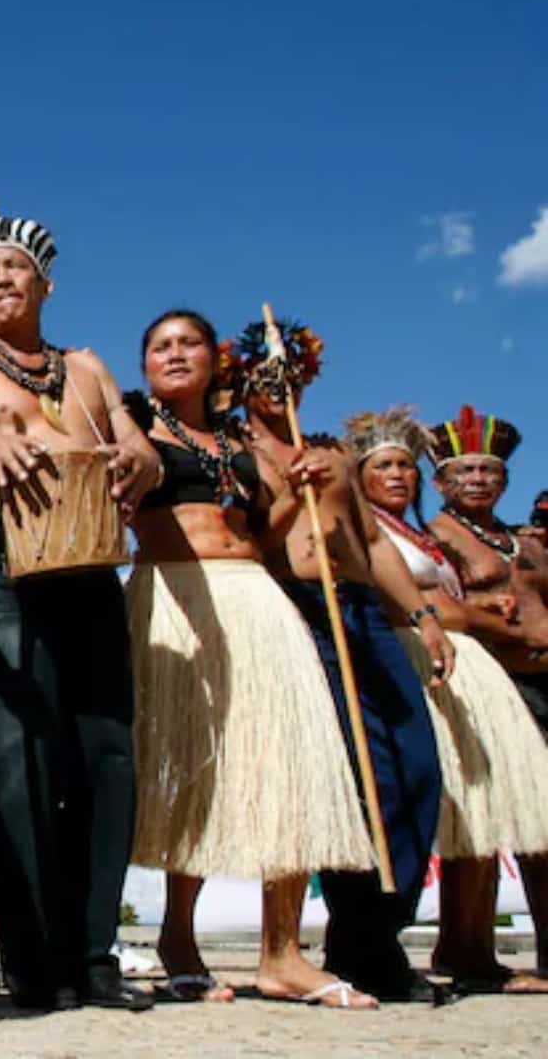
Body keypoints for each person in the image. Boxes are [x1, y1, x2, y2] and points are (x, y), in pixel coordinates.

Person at [0, 191, 161, 1012]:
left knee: (104, 749)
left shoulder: (85, 368)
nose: (5, 278)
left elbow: (135, 443)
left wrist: (140, 462)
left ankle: (93, 954)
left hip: (88, 562)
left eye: (17, 267)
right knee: (18, 748)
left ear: (45, 284)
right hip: (2, 562)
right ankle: (33, 958)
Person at [122, 310, 376, 1008]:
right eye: (160, 346)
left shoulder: (238, 436)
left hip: (257, 598)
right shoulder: (131, 425)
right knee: (188, 767)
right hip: (175, 595)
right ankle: (177, 938)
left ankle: (283, 954)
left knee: (290, 761)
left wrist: (304, 490)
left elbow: (266, 531)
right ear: (144, 363)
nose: (175, 355)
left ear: (213, 359)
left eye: (189, 344)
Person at [230, 318, 454, 1005]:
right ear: (241, 381)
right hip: (299, 608)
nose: (278, 388)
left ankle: (379, 931)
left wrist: (420, 615)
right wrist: (288, 497)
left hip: (365, 612)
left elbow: (373, 543)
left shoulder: (329, 450)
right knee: (359, 779)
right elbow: (244, 545)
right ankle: (362, 947)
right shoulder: (236, 451)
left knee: (417, 767)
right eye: (264, 377)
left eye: (289, 376)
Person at [348, 404, 548, 995]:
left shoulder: (417, 533)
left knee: (489, 809)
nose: (397, 476)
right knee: (453, 807)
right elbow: (415, 599)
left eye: (405, 466)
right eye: (384, 466)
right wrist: (506, 628)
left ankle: (474, 947)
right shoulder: (386, 531)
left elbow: (447, 598)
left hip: (466, 667)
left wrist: (482, 613)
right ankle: (434, 945)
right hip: (415, 662)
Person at [425, 405, 548, 979]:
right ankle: (465, 947)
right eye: (464, 472)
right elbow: (437, 607)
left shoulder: (525, 539)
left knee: (542, 825)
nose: (477, 480)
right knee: (488, 819)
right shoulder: (435, 538)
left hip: (541, 684)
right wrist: (489, 618)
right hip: (492, 686)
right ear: (441, 483)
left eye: (488, 471)